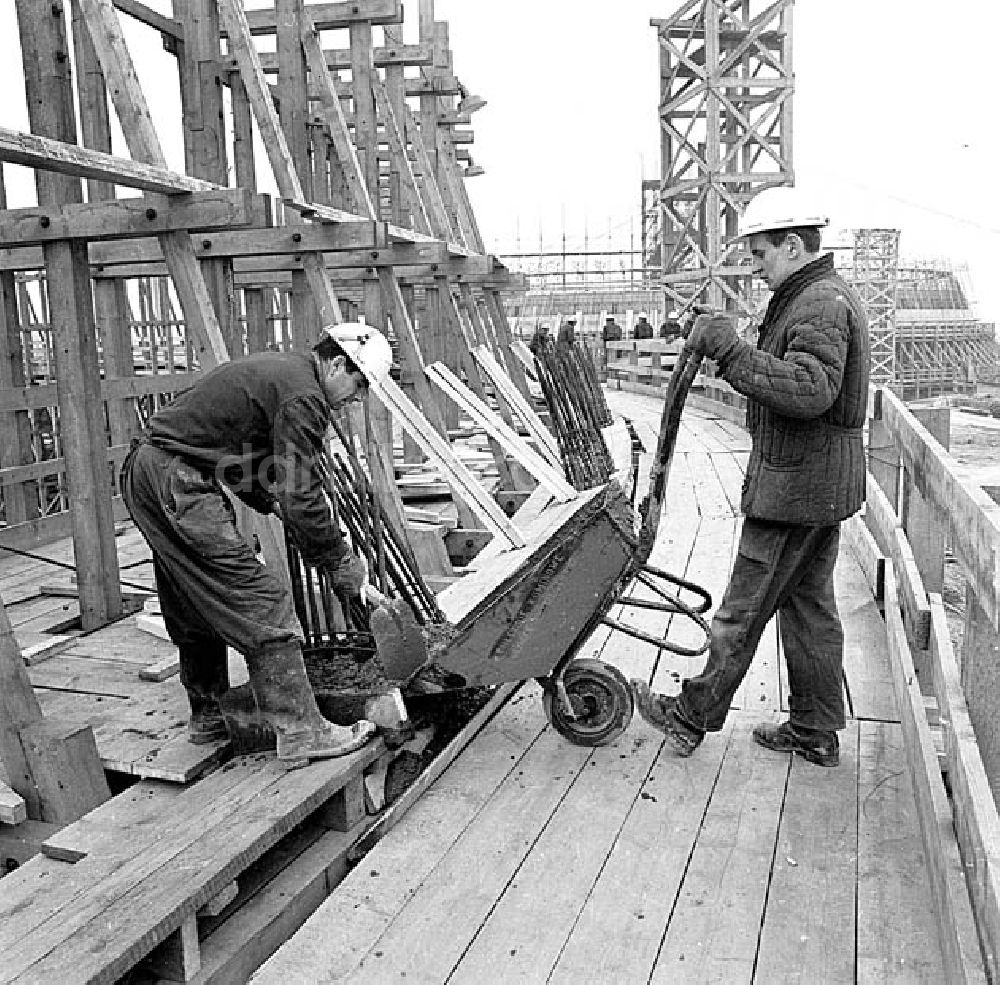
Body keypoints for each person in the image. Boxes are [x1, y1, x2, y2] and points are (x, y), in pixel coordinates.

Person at [631, 186, 870, 768]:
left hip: (796, 488)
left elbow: (811, 389)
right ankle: (815, 729)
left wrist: (734, 353)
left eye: (761, 254)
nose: (757, 267)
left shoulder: (816, 304)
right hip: (817, 485)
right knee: (809, 609)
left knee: (744, 606)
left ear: (792, 244)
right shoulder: (814, 296)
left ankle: (692, 715)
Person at [121, 323, 394, 765]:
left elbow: (234, 450)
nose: (356, 399)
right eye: (359, 385)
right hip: (179, 480)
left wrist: (272, 500)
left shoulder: (284, 373)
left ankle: (210, 716)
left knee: (192, 601)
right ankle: (301, 730)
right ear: (339, 363)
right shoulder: (304, 395)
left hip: (151, 471)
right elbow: (301, 491)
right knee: (261, 599)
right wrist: (340, 562)